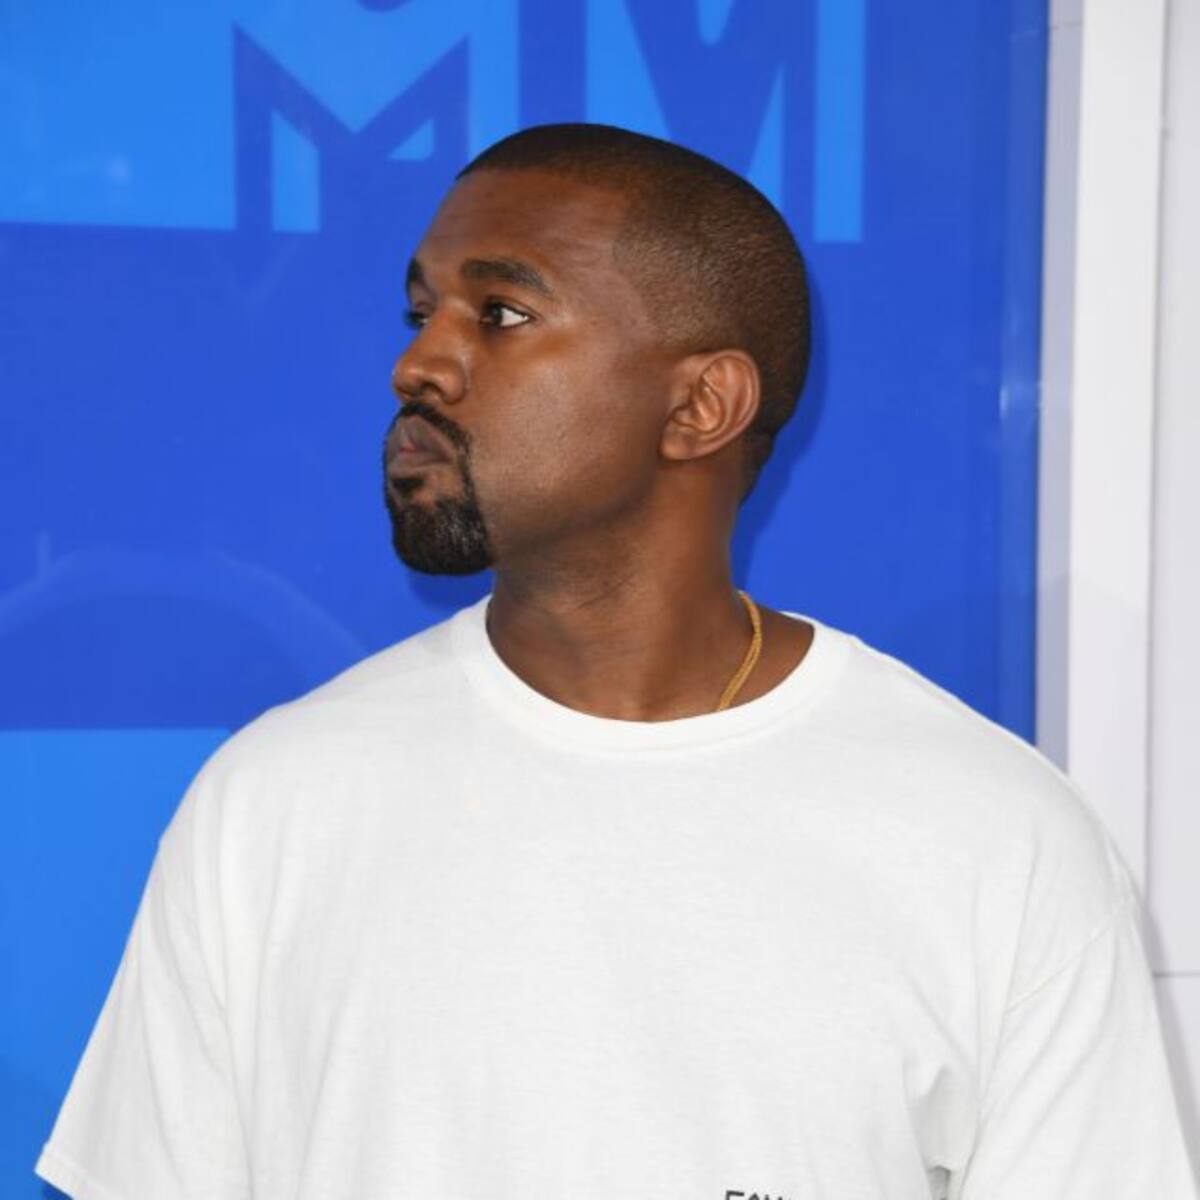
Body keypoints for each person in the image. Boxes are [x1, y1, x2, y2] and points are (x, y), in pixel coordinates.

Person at [34, 122, 1197, 1200]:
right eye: (421, 312)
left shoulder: (993, 836)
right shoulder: (275, 802)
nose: (419, 365)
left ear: (701, 405)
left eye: (499, 315)